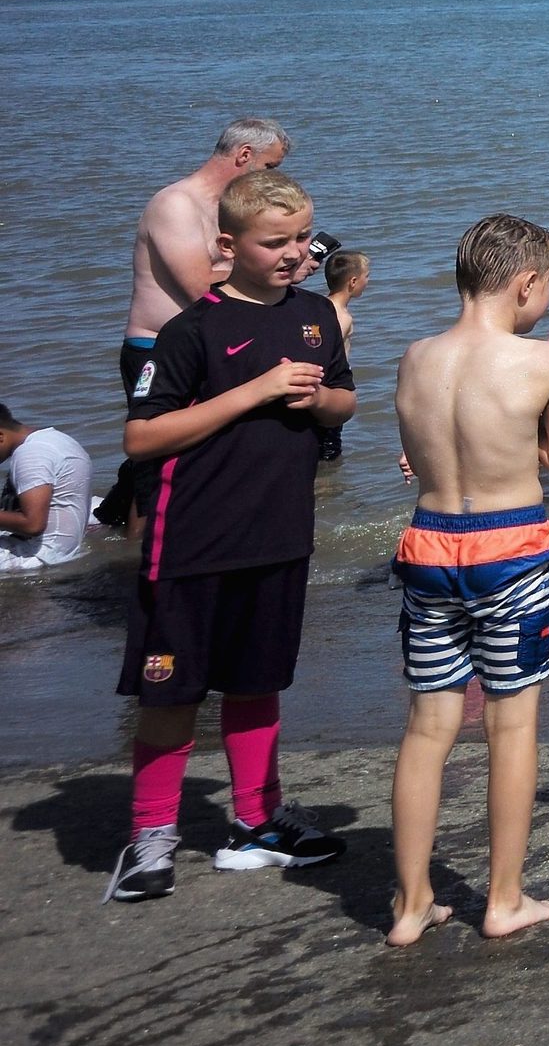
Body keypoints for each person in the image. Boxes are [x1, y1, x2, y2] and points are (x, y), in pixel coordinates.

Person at [106, 168, 356, 903]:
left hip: (279, 533)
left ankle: (258, 820)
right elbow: (141, 436)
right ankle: (151, 836)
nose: (294, 253)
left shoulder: (313, 313)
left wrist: (318, 399)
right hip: (192, 540)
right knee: (171, 691)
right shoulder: (192, 330)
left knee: (259, 681)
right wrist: (254, 390)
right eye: (274, 241)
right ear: (227, 243)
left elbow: (343, 403)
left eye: (303, 238)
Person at [385, 214, 549, 947]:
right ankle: (502, 899)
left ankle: (411, 906)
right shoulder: (541, 361)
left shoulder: (414, 357)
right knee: (511, 725)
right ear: (526, 284)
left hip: (429, 546)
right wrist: (524, 441)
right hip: (511, 551)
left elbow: (422, 451)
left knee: (427, 727)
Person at [100, 119, 289, 533]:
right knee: (156, 470)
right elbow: (198, 288)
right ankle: (138, 566)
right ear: (244, 155)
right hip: (156, 349)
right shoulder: (176, 204)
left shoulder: (223, 211)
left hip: (204, 349)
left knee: (202, 460)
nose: (273, 178)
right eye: (270, 168)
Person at [0, 402, 93, 571]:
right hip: (62, 550)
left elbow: (33, 525)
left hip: (39, 557)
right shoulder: (52, 438)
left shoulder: (31, 454)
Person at [312, 248, 368, 463]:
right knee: (329, 453)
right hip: (332, 391)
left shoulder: (320, 306)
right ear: (353, 282)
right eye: (367, 276)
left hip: (325, 392)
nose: (368, 281)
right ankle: (326, 491)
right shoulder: (340, 317)